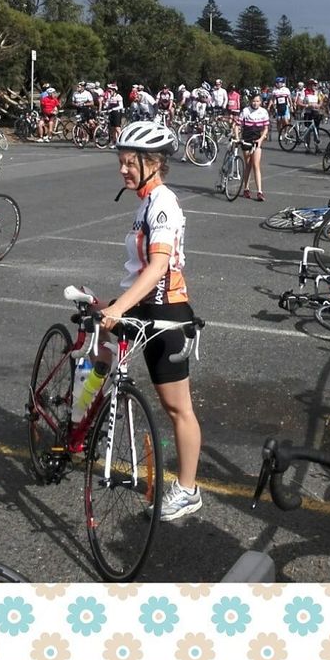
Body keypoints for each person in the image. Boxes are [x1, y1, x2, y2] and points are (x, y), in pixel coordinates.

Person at [96, 121, 203, 521]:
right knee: (96, 346)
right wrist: (112, 304)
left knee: (177, 408)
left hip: (165, 312)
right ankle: (82, 424)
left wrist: (118, 308)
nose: (122, 169)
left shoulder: (163, 204)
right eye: (121, 161)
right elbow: (140, 269)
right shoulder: (144, 201)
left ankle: (188, 490)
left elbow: (158, 266)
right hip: (140, 305)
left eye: (130, 162)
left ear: (153, 163)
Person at [237, 88, 270, 201]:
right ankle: (246, 188)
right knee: (248, 165)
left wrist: (261, 139)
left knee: (256, 165)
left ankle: (259, 192)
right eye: (254, 101)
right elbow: (238, 125)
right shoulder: (246, 111)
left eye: (257, 101)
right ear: (250, 101)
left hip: (256, 140)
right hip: (246, 139)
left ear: (261, 102)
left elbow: (265, 128)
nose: (255, 103)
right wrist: (237, 137)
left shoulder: (263, 112)